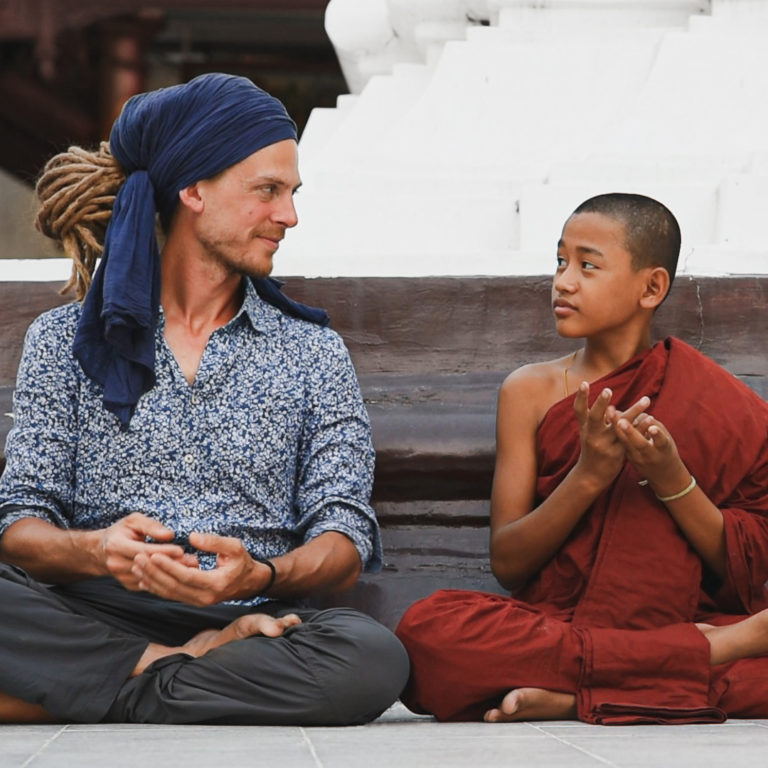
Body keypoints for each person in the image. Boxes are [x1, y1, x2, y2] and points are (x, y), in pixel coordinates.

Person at [0, 72, 408, 725]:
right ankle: (166, 663)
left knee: (372, 658)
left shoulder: (312, 352)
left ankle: (76, 688)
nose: (289, 215)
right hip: (89, 608)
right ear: (193, 190)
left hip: (249, 617)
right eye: (267, 191)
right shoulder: (61, 341)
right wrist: (96, 549)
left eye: (292, 193)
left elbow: (344, 532)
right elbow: (20, 523)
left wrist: (262, 577)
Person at [396, 193, 768, 724]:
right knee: (426, 633)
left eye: (587, 266)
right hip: (562, 620)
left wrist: (673, 480)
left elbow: (744, 564)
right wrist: (588, 476)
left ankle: (574, 696)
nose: (563, 282)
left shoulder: (718, 401)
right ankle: (702, 655)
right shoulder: (529, 390)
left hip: (672, 616)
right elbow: (509, 561)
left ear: (652, 287)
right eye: (560, 262)